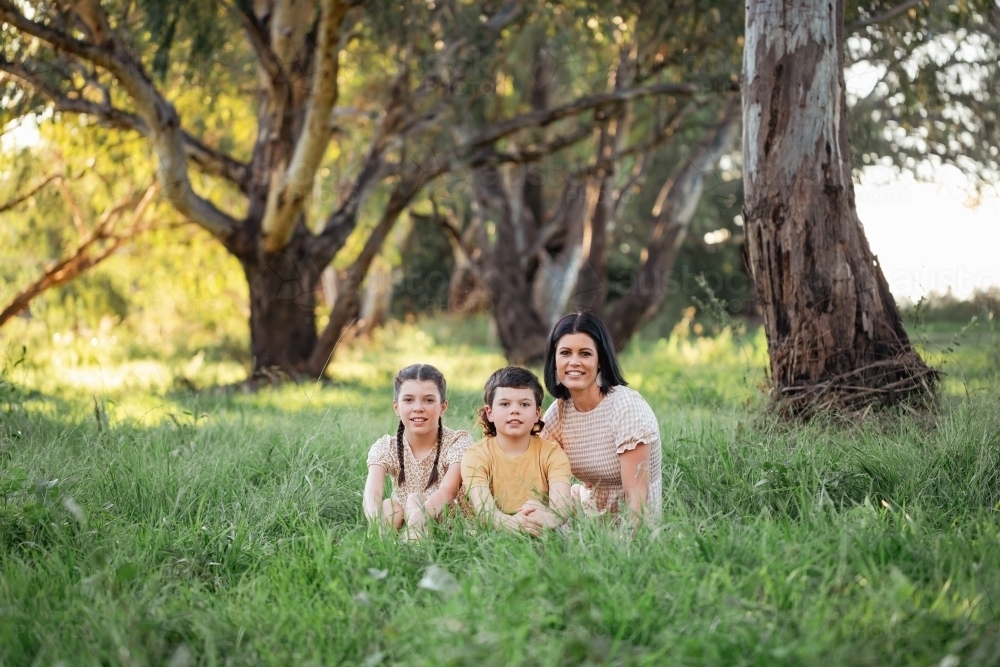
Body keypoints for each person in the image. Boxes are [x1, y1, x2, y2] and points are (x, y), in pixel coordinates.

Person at [540, 312, 662, 522]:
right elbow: (533, 471)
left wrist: (626, 550)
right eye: (566, 353)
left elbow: (637, 501)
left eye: (585, 354)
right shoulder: (559, 412)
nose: (574, 362)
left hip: (632, 524)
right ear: (554, 360)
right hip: (587, 521)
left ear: (600, 361)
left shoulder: (626, 408)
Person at [362, 364, 473, 538]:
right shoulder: (387, 447)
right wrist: (376, 520)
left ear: (443, 407)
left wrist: (418, 519)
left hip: (448, 522)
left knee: (416, 500)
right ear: (396, 407)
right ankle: (381, 549)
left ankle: (412, 549)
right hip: (408, 519)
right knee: (389, 507)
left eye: (428, 400)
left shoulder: (458, 442)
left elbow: (448, 491)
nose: (418, 407)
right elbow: (372, 493)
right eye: (408, 400)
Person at [461, 366, 573, 534]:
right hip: (494, 531)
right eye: (505, 404)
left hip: (543, 527)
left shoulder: (552, 453)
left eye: (524, 404)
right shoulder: (476, 455)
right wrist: (516, 524)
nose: (515, 410)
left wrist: (543, 518)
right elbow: (486, 512)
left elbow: (561, 508)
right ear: (490, 412)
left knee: (543, 513)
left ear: (537, 414)